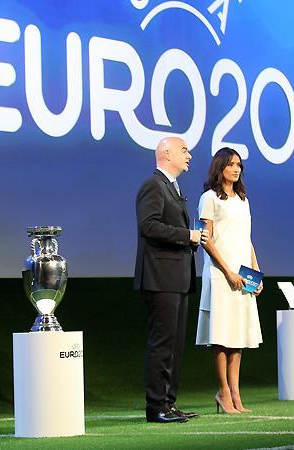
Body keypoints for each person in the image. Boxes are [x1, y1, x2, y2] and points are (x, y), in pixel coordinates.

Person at [134, 136, 208, 423]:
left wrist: (191, 240)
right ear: (166, 153)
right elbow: (148, 226)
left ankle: (169, 402)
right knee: (163, 343)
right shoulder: (153, 185)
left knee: (175, 345)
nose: (189, 156)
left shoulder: (172, 187)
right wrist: (187, 236)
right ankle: (156, 406)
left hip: (177, 278)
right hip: (161, 277)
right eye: (184, 150)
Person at [195, 147, 263, 414]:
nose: (236, 169)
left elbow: (247, 240)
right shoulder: (209, 198)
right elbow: (206, 239)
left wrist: (256, 272)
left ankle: (235, 394)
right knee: (221, 335)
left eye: (239, 165)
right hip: (220, 275)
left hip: (242, 275)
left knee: (238, 335)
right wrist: (228, 272)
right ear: (220, 167)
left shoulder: (243, 200)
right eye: (231, 164)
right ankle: (223, 391)